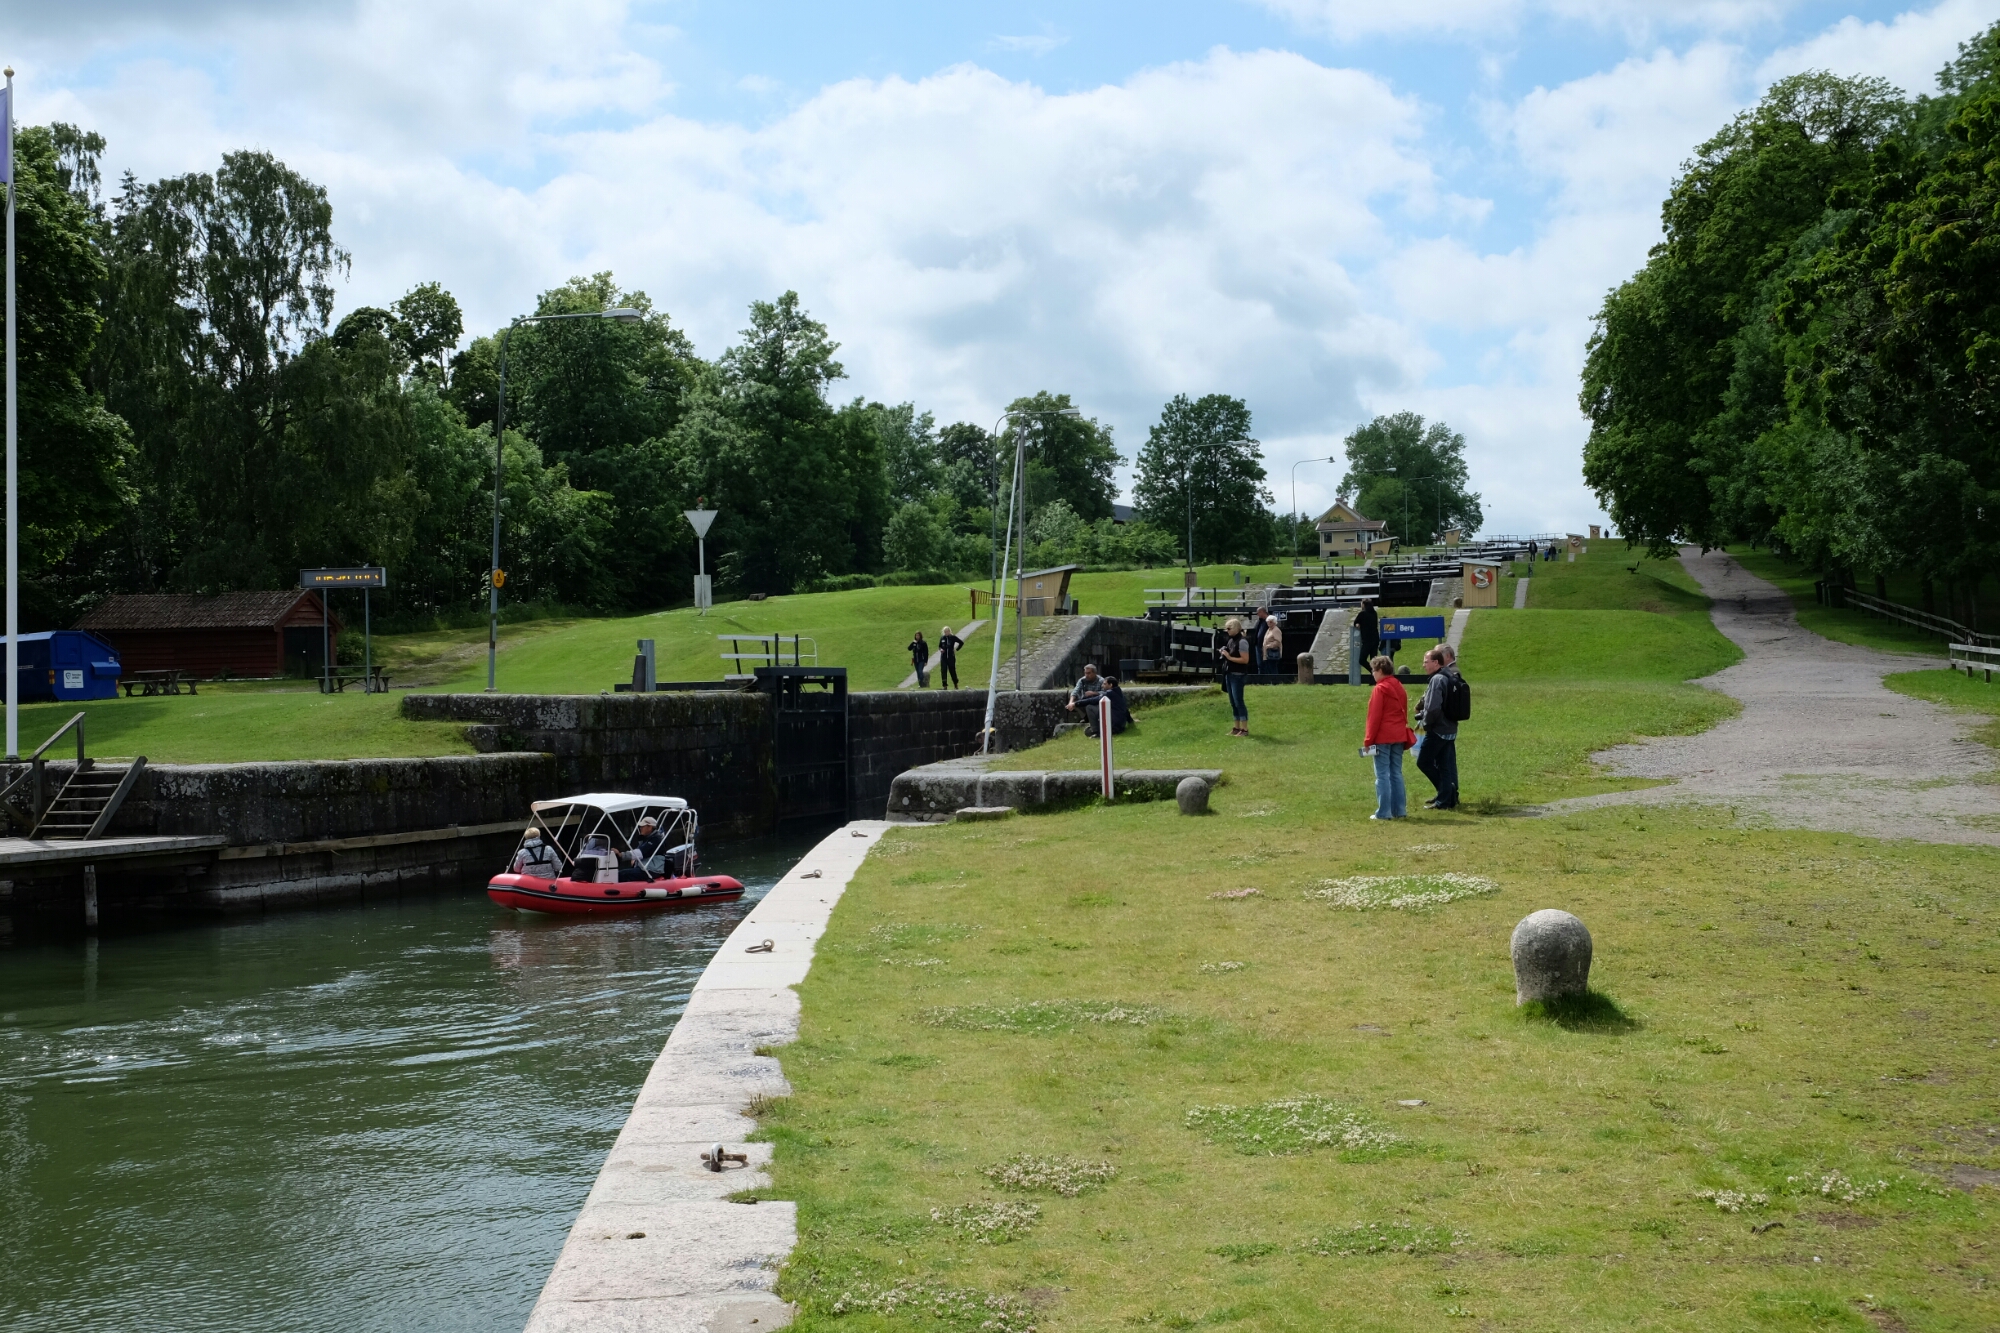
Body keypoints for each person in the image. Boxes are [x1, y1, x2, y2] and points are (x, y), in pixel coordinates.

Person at [1363, 654, 1415, 819]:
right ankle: (1400, 810)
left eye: (1373, 670)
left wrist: (1368, 740)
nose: (1372, 673)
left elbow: (1374, 717)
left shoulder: (1379, 689)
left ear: (1380, 670)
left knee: (1382, 775)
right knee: (1396, 773)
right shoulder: (1399, 686)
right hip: (1399, 734)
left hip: (1383, 737)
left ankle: (1384, 812)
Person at [1415, 646, 1461, 810]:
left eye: (1426, 662)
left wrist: (1426, 724)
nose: (1424, 665)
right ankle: (1446, 799)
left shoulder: (1437, 680)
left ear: (1435, 662)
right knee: (1444, 765)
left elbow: (1433, 708)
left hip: (1438, 730)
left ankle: (1447, 793)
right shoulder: (1449, 675)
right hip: (1450, 729)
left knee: (1424, 762)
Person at [1218, 616, 1253, 736]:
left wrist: (1229, 657)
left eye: (1229, 628)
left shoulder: (1242, 641)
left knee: (1239, 701)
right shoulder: (1231, 640)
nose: (1227, 631)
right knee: (1233, 702)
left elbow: (1245, 660)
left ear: (1236, 628)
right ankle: (1236, 727)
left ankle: (1245, 728)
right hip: (1229, 673)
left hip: (1238, 674)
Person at [1067, 662, 1108, 734]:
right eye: (1085, 673)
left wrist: (1093, 693)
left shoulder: (1101, 681)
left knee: (1090, 706)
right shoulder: (1082, 680)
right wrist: (1071, 702)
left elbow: (1106, 693)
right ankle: (1085, 717)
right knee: (1075, 702)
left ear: (1095, 673)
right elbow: (1075, 691)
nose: (1086, 675)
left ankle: (1093, 721)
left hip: (1096, 702)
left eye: (1089, 673)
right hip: (1085, 701)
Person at [623, 815, 668, 879]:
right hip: (645, 868)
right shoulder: (647, 839)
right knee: (623, 873)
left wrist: (621, 855)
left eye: (643, 826)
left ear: (650, 827)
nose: (640, 828)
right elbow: (640, 851)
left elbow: (641, 852)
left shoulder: (656, 839)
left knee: (622, 874)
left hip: (652, 870)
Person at [1356, 598, 1380, 666]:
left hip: (1367, 640)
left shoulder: (1362, 614)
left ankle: (1373, 672)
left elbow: (1356, 622)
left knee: (1362, 660)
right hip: (1375, 639)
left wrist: (1357, 624)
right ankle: (1374, 673)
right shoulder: (1374, 613)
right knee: (1374, 661)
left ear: (1363, 604)